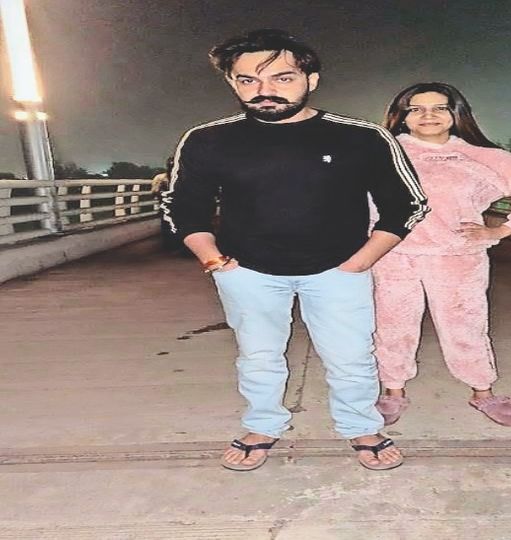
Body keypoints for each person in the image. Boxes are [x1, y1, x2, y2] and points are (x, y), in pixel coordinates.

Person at [161, 30, 429, 471]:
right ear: (232, 82)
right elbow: (183, 206)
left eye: (282, 78)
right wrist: (215, 261)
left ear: (311, 79)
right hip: (247, 271)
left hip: (338, 270)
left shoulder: (361, 137)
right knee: (258, 356)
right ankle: (262, 424)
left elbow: (407, 204)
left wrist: (360, 261)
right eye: (247, 80)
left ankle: (361, 426)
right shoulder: (207, 140)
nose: (264, 90)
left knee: (351, 357)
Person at [373, 82, 511, 427]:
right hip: (394, 254)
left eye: (439, 108)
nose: (427, 116)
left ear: (456, 114)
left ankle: (483, 391)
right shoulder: (380, 152)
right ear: (402, 116)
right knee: (393, 325)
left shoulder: (482, 157)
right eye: (416, 109)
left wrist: (503, 229)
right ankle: (393, 390)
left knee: (465, 325)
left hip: (458, 258)